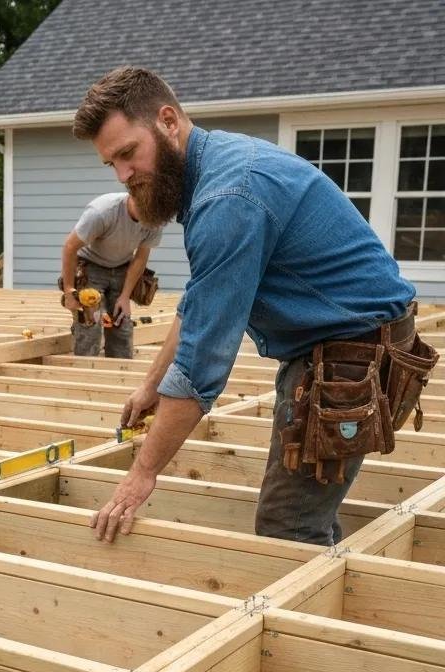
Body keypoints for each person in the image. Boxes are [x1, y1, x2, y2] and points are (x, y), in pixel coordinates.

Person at [71, 66, 417, 547]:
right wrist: (151, 385)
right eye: (112, 164)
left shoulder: (227, 197)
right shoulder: (214, 169)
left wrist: (142, 473)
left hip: (352, 352)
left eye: (129, 153)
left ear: (168, 121)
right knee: (305, 514)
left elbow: (201, 366)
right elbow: (199, 302)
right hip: (335, 342)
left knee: (287, 527)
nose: (124, 175)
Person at [60, 191, 162, 357]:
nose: (149, 220)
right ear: (133, 197)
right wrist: (69, 291)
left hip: (122, 267)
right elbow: (69, 247)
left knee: (122, 326)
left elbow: (140, 258)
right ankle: (85, 374)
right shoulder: (102, 212)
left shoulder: (156, 219)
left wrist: (125, 296)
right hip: (91, 266)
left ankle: (120, 374)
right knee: (90, 323)